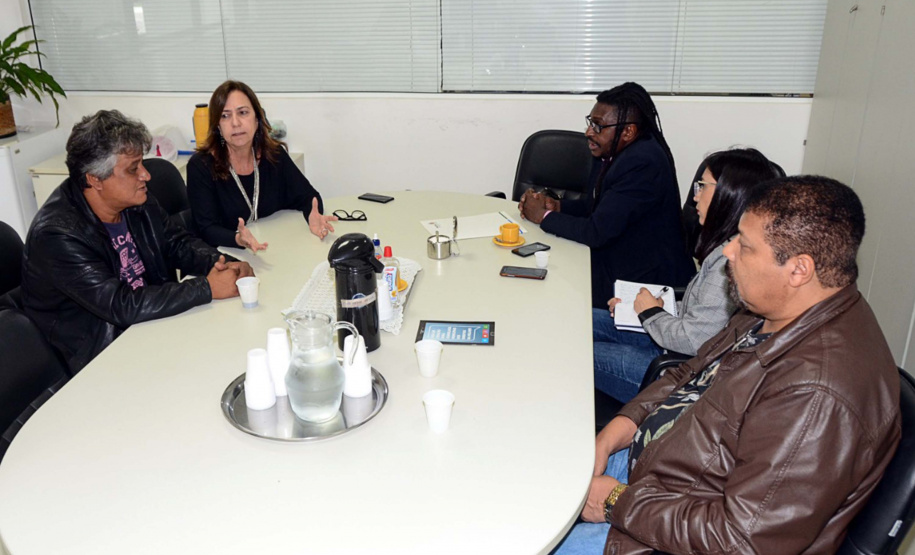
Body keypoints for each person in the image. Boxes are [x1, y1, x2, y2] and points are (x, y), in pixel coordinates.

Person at [555, 176, 901, 554]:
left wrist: (614, 502)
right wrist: (619, 429)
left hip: (664, 528)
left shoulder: (818, 394)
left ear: (799, 270)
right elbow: (689, 373)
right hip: (657, 474)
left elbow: (739, 541)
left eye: (745, 246)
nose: (729, 252)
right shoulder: (774, 309)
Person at [21, 110, 253, 374]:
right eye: (133, 169)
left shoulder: (134, 200)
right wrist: (207, 288)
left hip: (153, 327)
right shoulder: (58, 235)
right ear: (94, 179)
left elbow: (176, 243)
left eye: (141, 163)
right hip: (100, 359)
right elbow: (120, 305)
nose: (146, 175)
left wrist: (226, 265)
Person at [594, 148, 783, 403]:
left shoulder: (734, 260)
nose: (695, 198)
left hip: (676, 371)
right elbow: (703, 312)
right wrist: (647, 308)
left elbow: (694, 340)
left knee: (578, 352)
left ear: (730, 195)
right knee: (581, 322)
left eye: (702, 186)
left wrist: (650, 313)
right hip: (668, 341)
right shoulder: (727, 245)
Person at [518, 82, 695, 308]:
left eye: (599, 126)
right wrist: (557, 207)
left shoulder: (642, 163)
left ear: (628, 131)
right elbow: (597, 206)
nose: (589, 133)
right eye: (591, 123)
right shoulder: (613, 151)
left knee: (551, 294)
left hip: (644, 279)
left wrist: (541, 216)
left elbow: (596, 232)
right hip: (620, 254)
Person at [187, 80, 337, 252]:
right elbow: (206, 229)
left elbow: (308, 196)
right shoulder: (201, 166)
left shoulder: (274, 155)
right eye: (225, 116)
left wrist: (312, 215)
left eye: (242, 113)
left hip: (273, 249)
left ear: (257, 119)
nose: (235, 123)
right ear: (218, 127)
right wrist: (238, 238)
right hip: (227, 255)